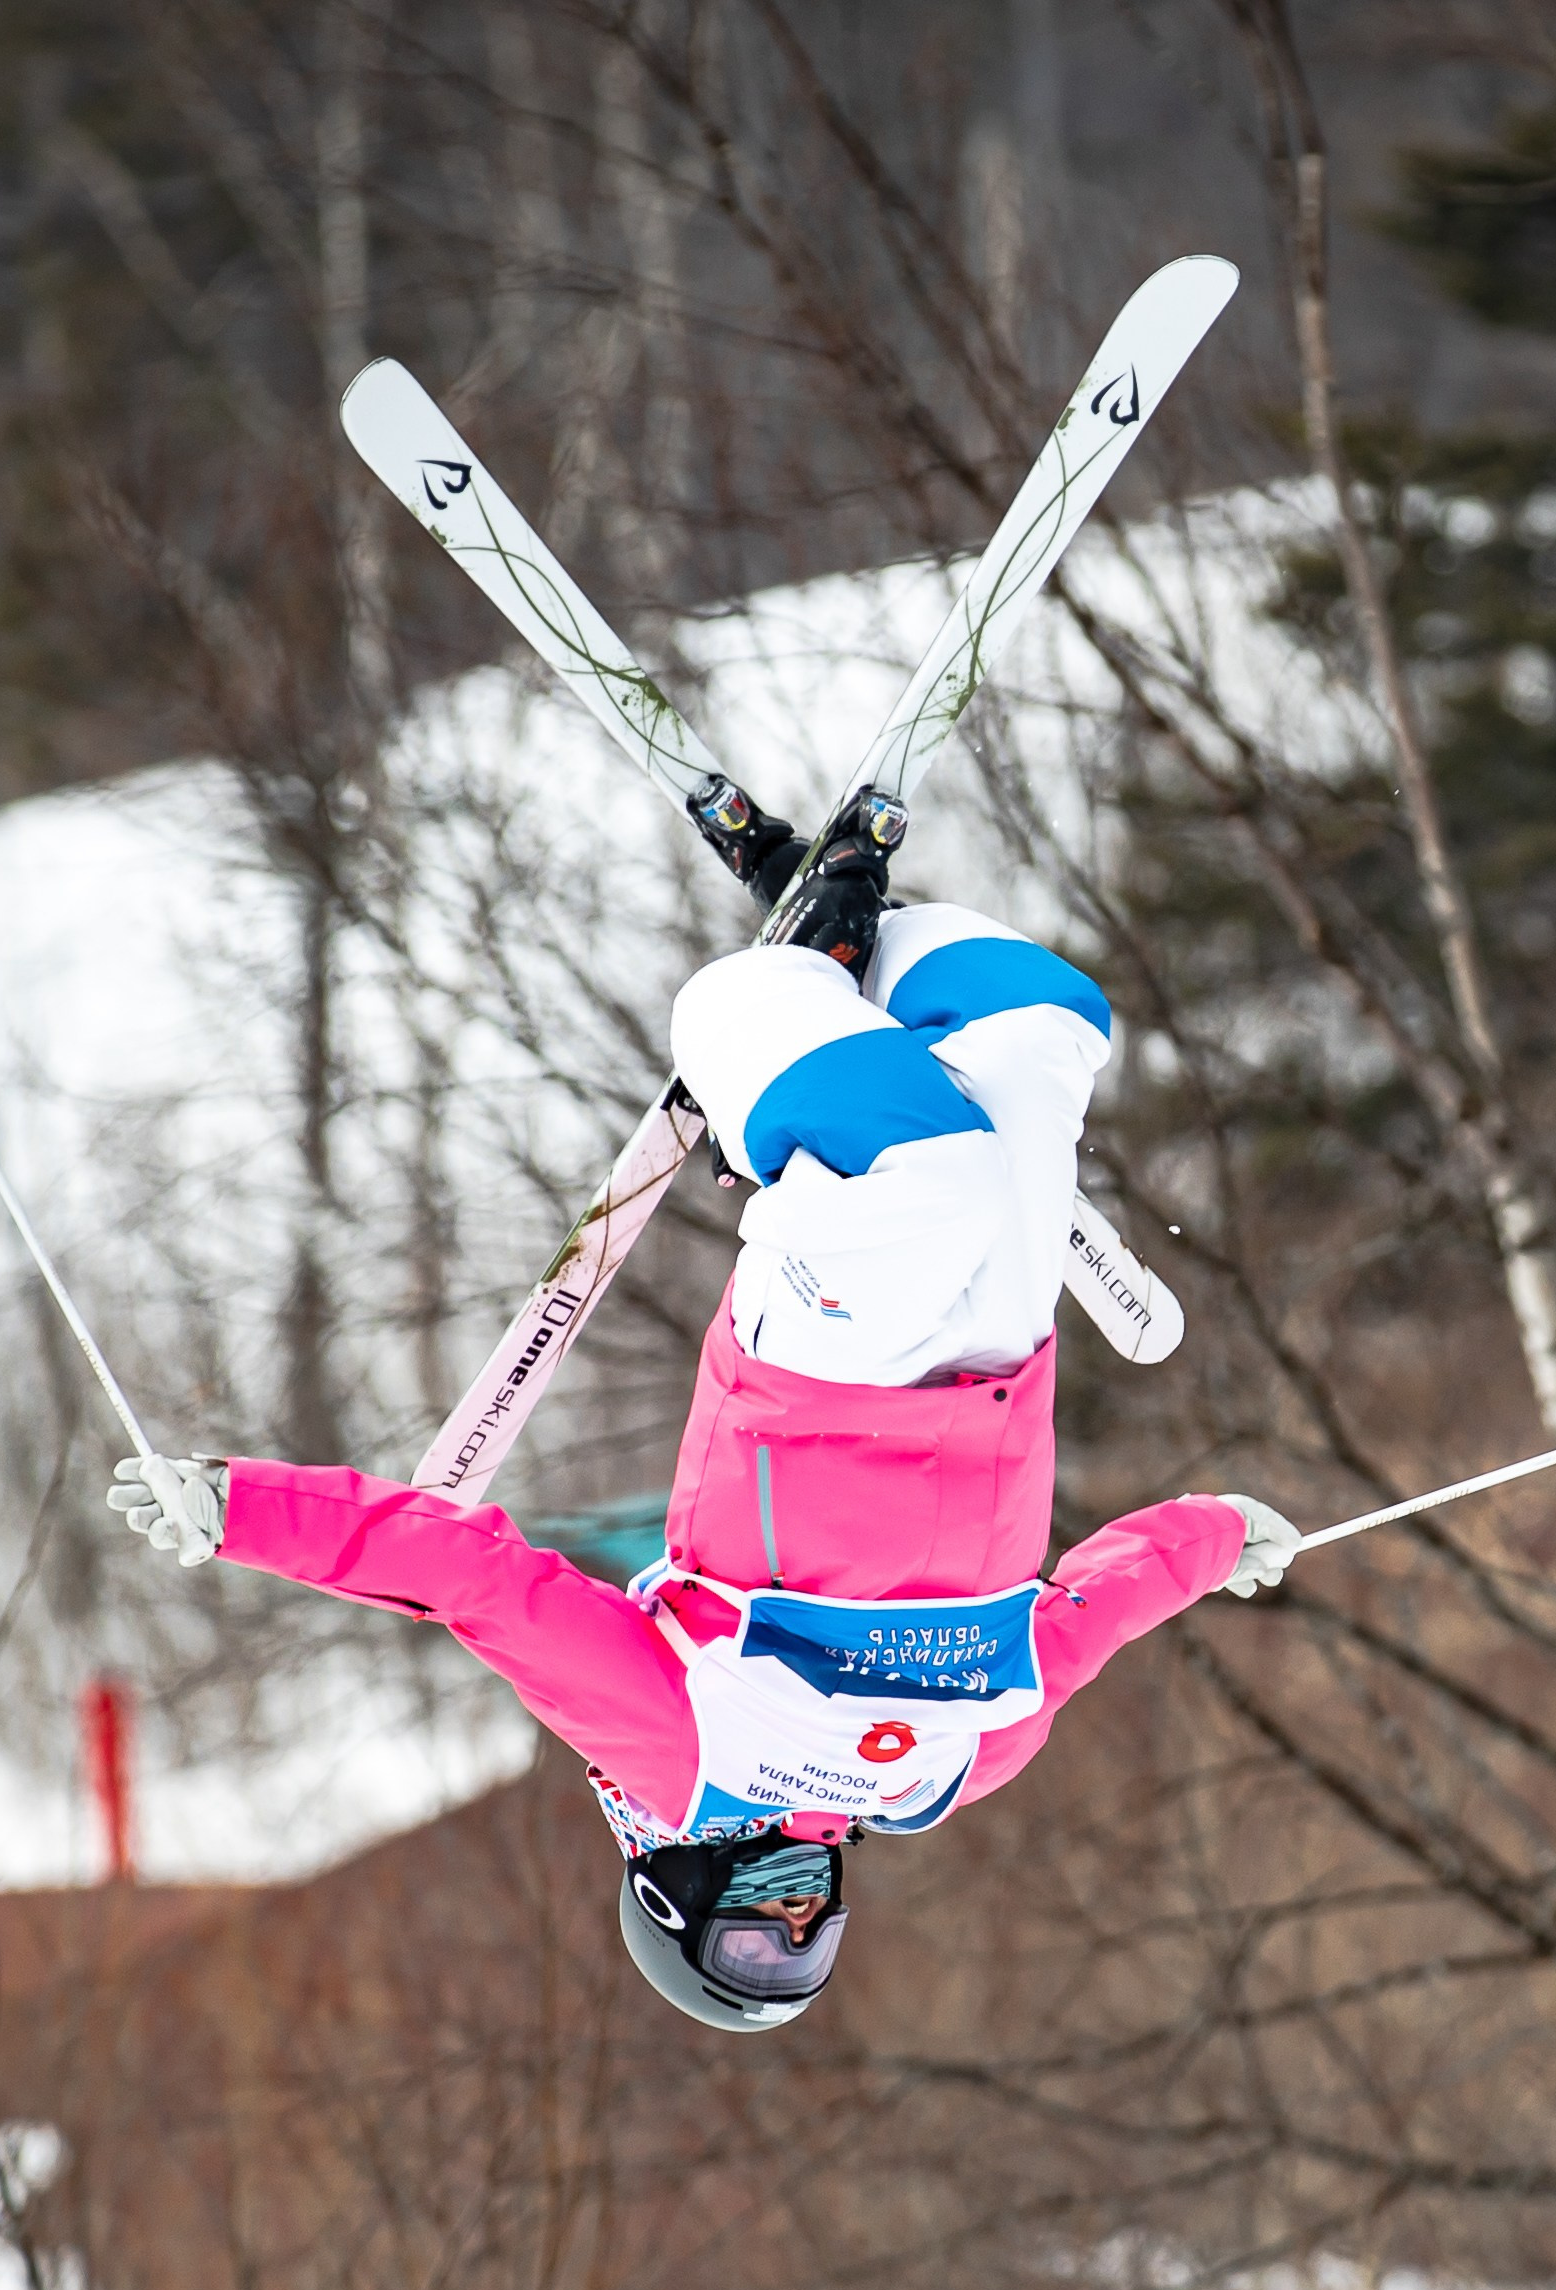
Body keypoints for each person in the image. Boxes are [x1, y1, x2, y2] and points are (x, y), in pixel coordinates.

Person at [110, 812, 1299, 2032]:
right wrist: (1213, 1538)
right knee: (1042, 1027)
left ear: (668, 1895)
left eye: (754, 1929)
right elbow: (1084, 1621)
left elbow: (477, 1581)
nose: (797, 1912)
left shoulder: (677, 1757)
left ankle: (750, 1009)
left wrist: (239, 1510)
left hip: (820, 1380)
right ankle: (863, 948)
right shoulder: (947, 1773)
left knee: (935, 1176)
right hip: (1002, 1361)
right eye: (812, 1937)